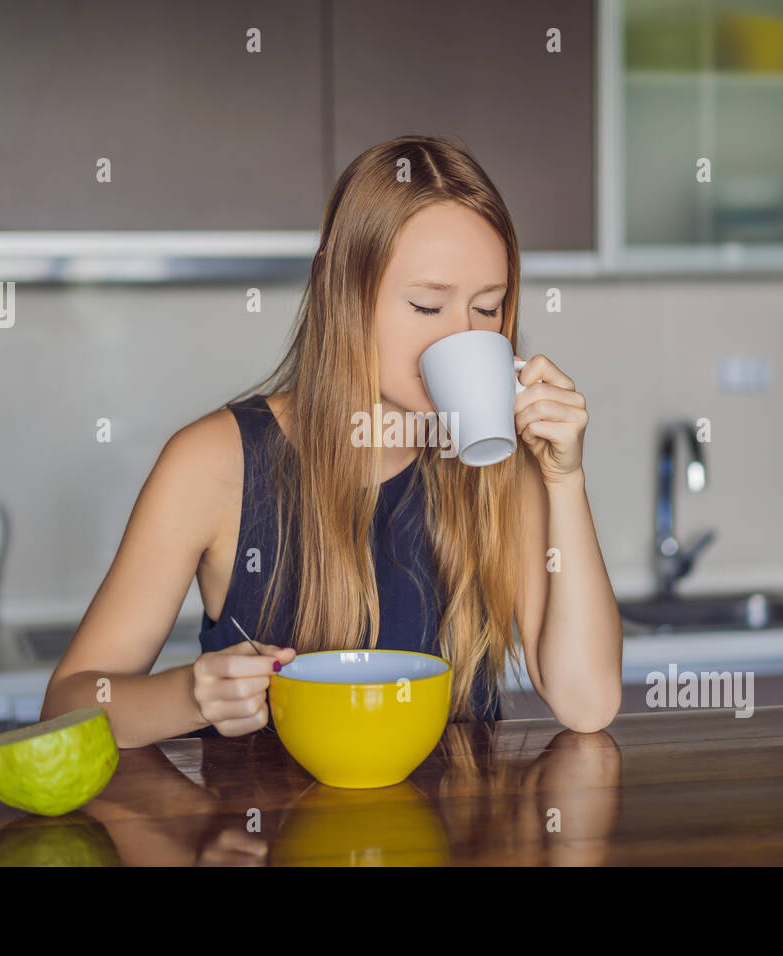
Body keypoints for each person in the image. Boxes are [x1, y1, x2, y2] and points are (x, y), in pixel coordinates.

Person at [42, 135, 623, 746]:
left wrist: (565, 479)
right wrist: (190, 695)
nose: (463, 337)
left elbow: (588, 703)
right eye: (428, 306)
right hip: (266, 839)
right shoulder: (212, 464)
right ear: (341, 295)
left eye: (488, 309)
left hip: (457, 840)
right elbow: (66, 706)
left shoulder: (500, 463)